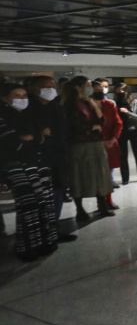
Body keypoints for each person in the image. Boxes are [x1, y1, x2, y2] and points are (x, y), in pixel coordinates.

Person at [1, 83, 60, 261]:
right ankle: (26, 246)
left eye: (24, 95)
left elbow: (42, 138)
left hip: (38, 163)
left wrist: (33, 138)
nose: (22, 99)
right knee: (28, 206)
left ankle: (45, 241)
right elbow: (12, 143)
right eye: (17, 95)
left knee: (44, 203)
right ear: (5, 98)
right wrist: (35, 138)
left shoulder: (28, 115)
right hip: (16, 165)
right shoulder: (4, 116)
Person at [62, 76, 116, 221]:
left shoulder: (87, 101)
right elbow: (73, 125)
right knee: (79, 176)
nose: (91, 88)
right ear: (80, 86)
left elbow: (102, 120)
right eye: (88, 85)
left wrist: (91, 102)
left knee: (100, 174)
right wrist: (93, 127)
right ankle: (80, 209)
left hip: (95, 143)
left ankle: (103, 206)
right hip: (80, 144)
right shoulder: (70, 103)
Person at [24, 76, 71, 227]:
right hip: (37, 158)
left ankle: (53, 227)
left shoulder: (56, 106)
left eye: (52, 87)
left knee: (58, 191)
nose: (50, 90)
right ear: (34, 88)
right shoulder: (27, 108)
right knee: (39, 196)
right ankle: (40, 229)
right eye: (46, 87)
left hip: (59, 156)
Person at [92, 79, 122, 208]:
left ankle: (108, 200)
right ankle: (100, 202)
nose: (100, 91)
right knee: (97, 175)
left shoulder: (109, 105)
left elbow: (118, 123)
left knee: (108, 174)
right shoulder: (85, 105)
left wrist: (114, 138)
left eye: (102, 88)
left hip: (109, 144)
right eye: (97, 89)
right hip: (93, 144)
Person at [113, 83, 137, 185]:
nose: (120, 93)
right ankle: (125, 178)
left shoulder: (136, 102)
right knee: (122, 155)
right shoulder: (115, 103)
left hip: (134, 130)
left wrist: (128, 112)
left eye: (122, 91)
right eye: (118, 91)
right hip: (121, 131)